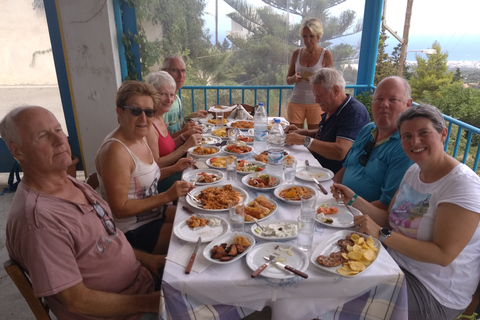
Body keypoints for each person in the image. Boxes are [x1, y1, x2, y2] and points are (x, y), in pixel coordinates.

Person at [1, 106, 162, 320]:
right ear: (17, 151)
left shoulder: (71, 183)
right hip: (126, 312)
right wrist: (149, 303)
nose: (59, 141)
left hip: (141, 285)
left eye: (58, 130)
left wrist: (148, 260)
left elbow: (108, 238)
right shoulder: (40, 222)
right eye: (42, 136)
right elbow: (76, 300)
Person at [332, 104, 480, 320]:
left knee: (334, 301)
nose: (415, 142)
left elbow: (443, 255)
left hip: (434, 291)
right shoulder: (414, 170)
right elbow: (391, 220)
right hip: (394, 263)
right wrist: (354, 199)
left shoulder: (461, 186)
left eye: (423, 133)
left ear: (442, 134)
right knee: (329, 278)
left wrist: (381, 234)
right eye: (407, 136)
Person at [96, 80, 194, 255]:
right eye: (135, 111)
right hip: (133, 230)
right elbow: (120, 208)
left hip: (153, 214)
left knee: (201, 217)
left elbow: (143, 179)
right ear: (120, 112)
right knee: (195, 239)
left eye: (149, 112)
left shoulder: (139, 137)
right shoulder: (116, 151)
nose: (143, 118)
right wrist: (167, 196)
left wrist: (174, 168)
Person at [333, 76, 414, 209]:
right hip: (338, 205)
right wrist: (326, 193)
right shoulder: (367, 129)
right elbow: (346, 167)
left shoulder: (405, 147)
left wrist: (346, 209)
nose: (384, 104)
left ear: (408, 105)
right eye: (379, 99)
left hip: (362, 218)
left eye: (393, 99)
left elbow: (386, 205)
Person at [285, 68, 370, 174]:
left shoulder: (354, 112)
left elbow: (340, 151)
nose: (316, 100)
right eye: (315, 96)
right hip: (317, 167)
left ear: (335, 91)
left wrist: (304, 140)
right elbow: (327, 133)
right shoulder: (333, 107)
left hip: (333, 176)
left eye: (319, 95)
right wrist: (301, 132)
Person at [286, 18, 333, 129]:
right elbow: (288, 79)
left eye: (311, 36)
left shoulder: (325, 54)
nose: (307, 40)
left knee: (316, 138)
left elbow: (331, 82)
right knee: (294, 137)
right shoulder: (297, 53)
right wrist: (294, 78)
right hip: (296, 101)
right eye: (305, 36)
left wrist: (314, 80)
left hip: (317, 103)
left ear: (318, 36)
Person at [161, 54, 208, 135]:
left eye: (183, 71)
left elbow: (180, 126)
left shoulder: (177, 99)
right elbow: (162, 142)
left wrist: (190, 117)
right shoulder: (162, 103)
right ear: (164, 72)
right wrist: (184, 133)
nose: (181, 76)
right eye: (175, 70)